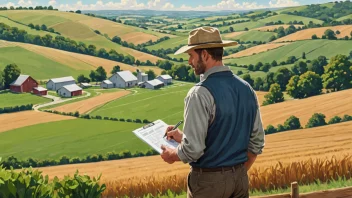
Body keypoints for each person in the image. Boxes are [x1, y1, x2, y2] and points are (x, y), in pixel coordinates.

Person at [160, 26, 265, 198]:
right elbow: (256, 142)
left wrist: (172, 154)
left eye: (191, 55)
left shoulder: (199, 93)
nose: (189, 62)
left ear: (205, 55)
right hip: (240, 180)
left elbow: (193, 150)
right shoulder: (247, 89)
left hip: (208, 183)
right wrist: (234, 172)